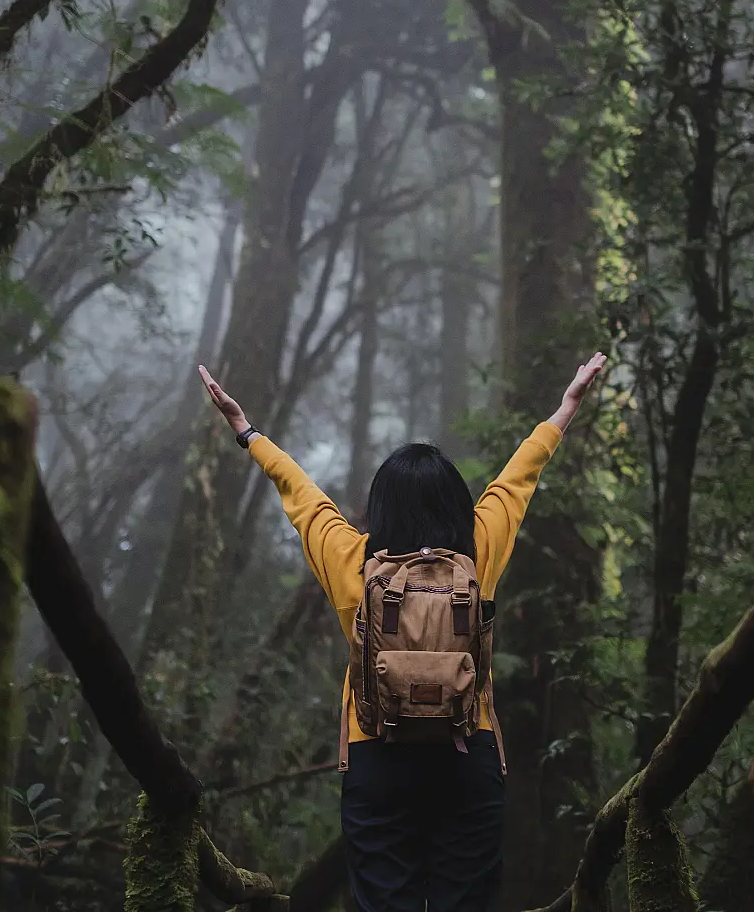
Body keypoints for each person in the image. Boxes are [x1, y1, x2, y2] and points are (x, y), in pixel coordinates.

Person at [198, 351, 607, 912]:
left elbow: (302, 496)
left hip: (377, 757)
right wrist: (566, 407)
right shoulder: (477, 551)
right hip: (469, 753)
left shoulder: (352, 561)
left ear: (380, 507)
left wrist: (248, 432)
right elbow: (517, 480)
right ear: (457, 505)